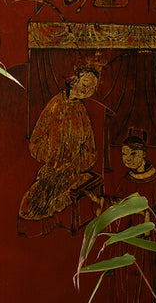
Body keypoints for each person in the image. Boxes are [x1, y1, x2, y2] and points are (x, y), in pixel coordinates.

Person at [105, 133, 156, 303]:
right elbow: (117, 207)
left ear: (143, 154)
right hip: (126, 240)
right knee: (122, 279)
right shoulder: (125, 180)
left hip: (146, 241)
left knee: (146, 280)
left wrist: (147, 215)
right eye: (124, 155)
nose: (127, 159)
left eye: (132, 154)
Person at [19, 65, 102, 234]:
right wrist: (50, 156)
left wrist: (74, 163)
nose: (86, 90)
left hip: (72, 169)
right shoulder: (55, 104)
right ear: (74, 80)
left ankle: (51, 224)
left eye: (91, 88)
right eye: (85, 83)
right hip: (52, 166)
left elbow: (90, 150)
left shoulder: (82, 112)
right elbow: (37, 138)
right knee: (31, 203)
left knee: (54, 194)